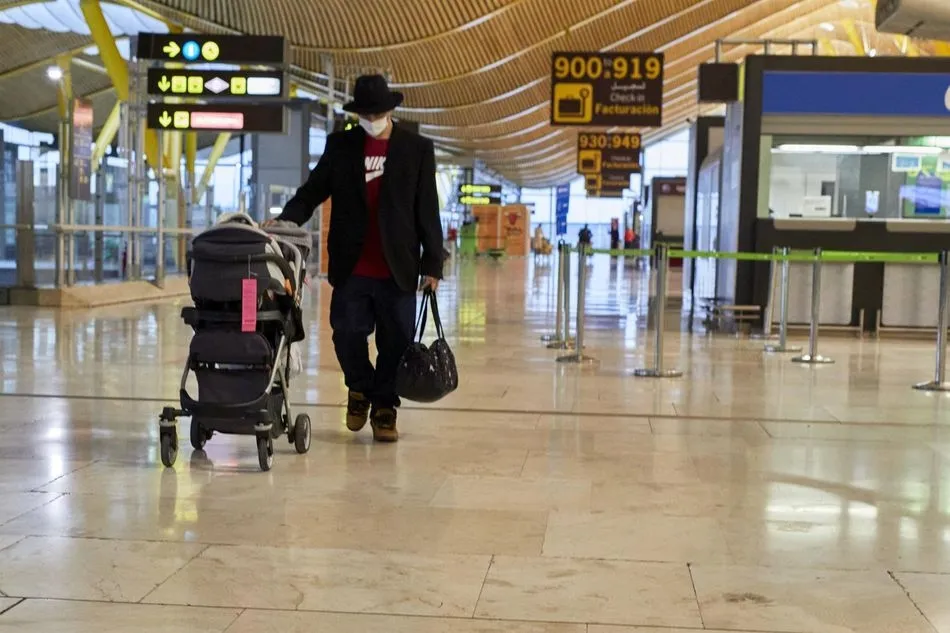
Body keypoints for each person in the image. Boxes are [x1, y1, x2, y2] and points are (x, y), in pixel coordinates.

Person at [268, 74, 443, 443]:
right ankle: (360, 388)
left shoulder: (417, 149)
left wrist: (433, 264)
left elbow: (428, 211)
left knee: (395, 342)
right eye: (365, 112)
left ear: (390, 110)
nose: (371, 117)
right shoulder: (341, 146)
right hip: (352, 265)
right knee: (346, 335)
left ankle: (385, 407)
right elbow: (311, 192)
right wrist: (285, 221)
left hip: (398, 266)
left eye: (377, 111)